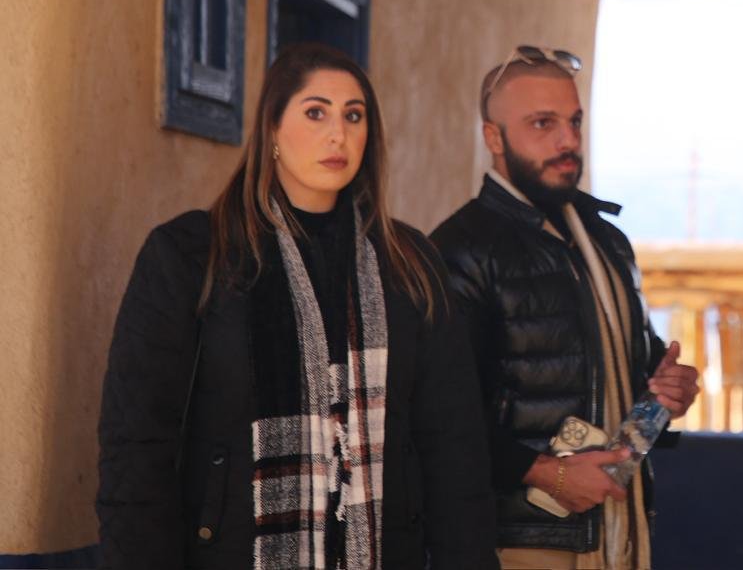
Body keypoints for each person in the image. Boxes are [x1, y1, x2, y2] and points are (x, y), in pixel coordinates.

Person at [97, 42, 498, 570]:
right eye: (315, 113)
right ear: (271, 130)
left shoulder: (408, 264)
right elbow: (137, 443)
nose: (338, 135)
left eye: (353, 116)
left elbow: (454, 445)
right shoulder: (193, 256)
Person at [429, 46, 701, 570]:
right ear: (493, 138)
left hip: (622, 531)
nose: (568, 141)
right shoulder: (461, 250)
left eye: (574, 122)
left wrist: (670, 389)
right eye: (543, 124)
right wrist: (548, 474)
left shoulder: (607, 242)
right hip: (524, 543)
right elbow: (444, 417)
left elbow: (637, 371)